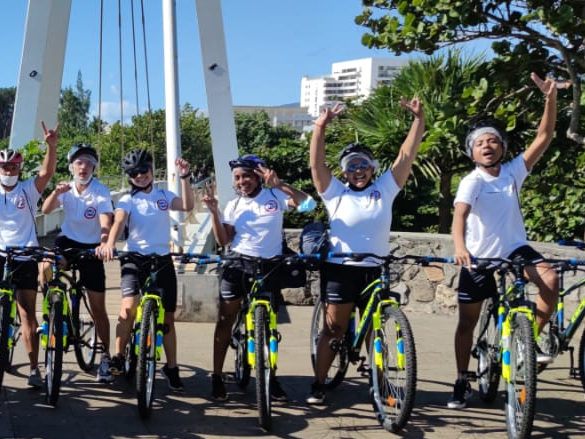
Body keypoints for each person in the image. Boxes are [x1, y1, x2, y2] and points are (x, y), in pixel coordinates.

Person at [449, 73, 566, 409]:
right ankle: (460, 379)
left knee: (551, 278)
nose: (488, 146)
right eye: (480, 143)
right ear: (472, 151)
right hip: (479, 257)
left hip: (516, 249)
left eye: (493, 141)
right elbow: (459, 217)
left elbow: (544, 136)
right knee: (467, 323)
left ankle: (527, 342)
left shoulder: (513, 172)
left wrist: (550, 97)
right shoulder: (472, 181)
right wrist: (460, 248)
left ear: (502, 147)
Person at [305, 98, 425, 405]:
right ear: (344, 173)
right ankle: (319, 383)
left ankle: (380, 382)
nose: (358, 170)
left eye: (363, 165)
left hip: (375, 268)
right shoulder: (335, 193)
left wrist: (418, 120)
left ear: (372, 168)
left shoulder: (384, 188)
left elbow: (406, 155)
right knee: (334, 329)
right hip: (341, 269)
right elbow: (316, 165)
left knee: (377, 330)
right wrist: (320, 127)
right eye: (351, 167)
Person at [0, 122, 59, 391]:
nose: (9, 171)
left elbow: (47, 172)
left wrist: (51, 146)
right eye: (4, 168)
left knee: (27, 313)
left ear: (19, 169)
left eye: (13, 167)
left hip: (26, 253)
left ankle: (34, 368)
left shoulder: (28, 189)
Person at [202, 155, 309, 400]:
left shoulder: (275, 197)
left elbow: (307, 204)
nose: (242, 182)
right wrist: (213, 212)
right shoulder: (233, 206)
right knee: (226, 319)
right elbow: (223, 241)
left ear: (258, 176)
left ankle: (271, 377)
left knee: (269, 327)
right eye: (238, 178)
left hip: (269, 267)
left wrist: (280, 184)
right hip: (238, 264)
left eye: (247, 176)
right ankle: (217, 377)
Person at [97, 149, 195, 392]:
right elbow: (118, 221)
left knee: (168, 318)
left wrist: (185, 178)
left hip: (162, 260)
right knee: (128, 307)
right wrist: (109, 244)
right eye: (134, 173)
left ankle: (171, 367)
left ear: (152, 170)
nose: (139, 176)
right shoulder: (127, 200)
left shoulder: (163, 195)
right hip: (134, 259)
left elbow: (187, 205)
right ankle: (118, 356)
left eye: (143, 171)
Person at [41, 143, 115, 382]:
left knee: (98, 308)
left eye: (88, 163)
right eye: (79, 163)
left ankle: (105, 357)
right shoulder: (67, 189)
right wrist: (56, 193)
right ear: (72, 166)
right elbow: (46, 208)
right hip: (67, 242)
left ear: (94, 166)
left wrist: (104, 242)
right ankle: (51, 313)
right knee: (45, 266)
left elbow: (106, 220)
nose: (83, 167)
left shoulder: (100, 191)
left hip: (92, 247)